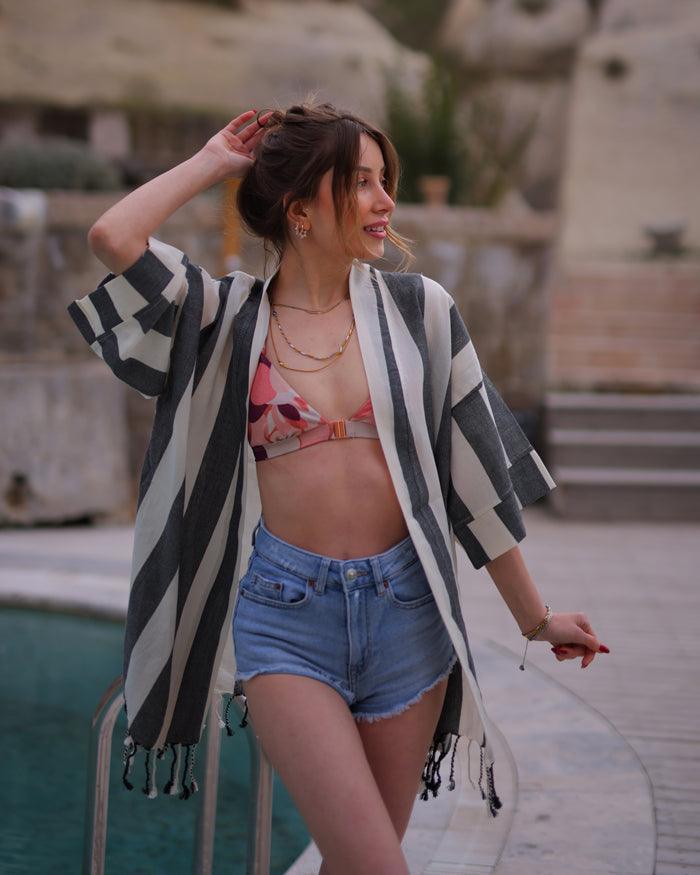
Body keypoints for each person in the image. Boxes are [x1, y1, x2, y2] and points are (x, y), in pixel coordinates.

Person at [68, 99, 609, 875]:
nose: (385, 201)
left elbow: (478, 484)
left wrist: (537, 618)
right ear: (301, 209)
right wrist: (214, 162)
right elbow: (113, 238)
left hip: (408, 618)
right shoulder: (222, 318)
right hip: (287, 621)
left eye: (385, 181)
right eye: (361, 182)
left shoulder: (421, 312)